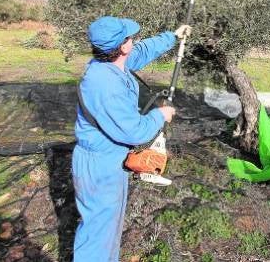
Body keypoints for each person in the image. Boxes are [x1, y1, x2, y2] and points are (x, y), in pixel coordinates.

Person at [72, 16, 191, 262]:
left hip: (108, 160)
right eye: (130, 37)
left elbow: (143, 50)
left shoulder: (112, 63)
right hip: (100, 167)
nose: (134, 41)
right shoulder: (105, 85)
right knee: (98, 235)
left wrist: (173, 37)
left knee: (106, 230)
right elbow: (134, 131)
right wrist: (160, 115)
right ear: (123, 46)